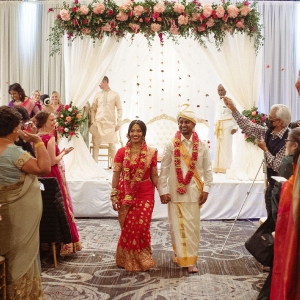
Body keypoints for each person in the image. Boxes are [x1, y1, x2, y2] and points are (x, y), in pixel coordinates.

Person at [0, 105, 51, 299]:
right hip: (18, 215)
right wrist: (37, 140)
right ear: (15, 128)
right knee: (21, 253)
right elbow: (43, 168)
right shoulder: (14, 153)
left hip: (2, 211)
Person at [157, 104, 213, 273]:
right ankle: (180, 255)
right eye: (181, 122)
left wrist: (207, 189)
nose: (183, 125)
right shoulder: (171, 144)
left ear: (193, 124)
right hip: (175, 192)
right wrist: (163, 191)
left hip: (194, 192)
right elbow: (164, 170)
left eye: (187, 122)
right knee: (176, 226)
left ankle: (191, 261)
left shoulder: (202, 146)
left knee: (192, 227)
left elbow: (208, 170)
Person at [223, 98, 291, 216]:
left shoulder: (288, 140)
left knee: (279, 223)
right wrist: (234, 109)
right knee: (271, 220)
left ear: (279, 122)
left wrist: (265, 149)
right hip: (272, 186)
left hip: (284, 190)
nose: (268, 120)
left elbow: (277, 166)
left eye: (271, 118)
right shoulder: (268, 132)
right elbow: (249, 126)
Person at [257, 128, 300, 300]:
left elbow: (287, 196)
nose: (286, 144)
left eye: (288, 142)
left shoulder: (289, 161)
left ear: (295, 145)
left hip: (290, 223)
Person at [111, 120, 158, 271]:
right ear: (128, 133)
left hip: (145, 192)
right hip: (126, 193)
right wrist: (114, 195)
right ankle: (127, 258)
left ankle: (142, 257)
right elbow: (116, 175)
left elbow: (154, 175)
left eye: (138, 131)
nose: (135, 134)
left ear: (143, 133)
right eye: (132, 130)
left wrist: (163, 192)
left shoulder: (151, 152)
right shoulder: (121, 152)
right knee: (128, 227)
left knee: (142, 226)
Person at [35, 111, 82, 255]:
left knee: (46, 206)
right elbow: (53, 161)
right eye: (51, 119)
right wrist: (64, 153)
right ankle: (66, 242)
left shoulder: (36, 137)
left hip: (41, 173)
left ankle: (46, 243)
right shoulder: (49, 138)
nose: (54, 122)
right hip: (53, 173)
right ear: (43, 122)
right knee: (61, 206)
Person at [91, 76, 122, 164]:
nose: (98, 84)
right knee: (96, 145)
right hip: (98, 123)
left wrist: (119, 123)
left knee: (112, 146)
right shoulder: (97, 95)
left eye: (100, 82)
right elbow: (93, 109)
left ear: (105, 82)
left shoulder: (115, 94)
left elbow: (120, 109)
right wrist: (93, 122)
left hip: (110, 124)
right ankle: (95, 166)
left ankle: (115, 167)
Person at [213, 84, 238, 173]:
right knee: (218, 146)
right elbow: (216, 115)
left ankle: (226, 167)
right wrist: (214, 127)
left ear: (225, 90)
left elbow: (235, 113)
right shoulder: (217, 102)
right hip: (219, 126)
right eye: (219, 90)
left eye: (222, 90)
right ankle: (218, 166)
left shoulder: (230, 101)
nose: (220, 92)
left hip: (228, 125)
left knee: (226, 146)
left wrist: (236, 127)